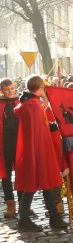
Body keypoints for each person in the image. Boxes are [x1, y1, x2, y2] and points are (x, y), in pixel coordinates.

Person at [13, 75, 67, 232]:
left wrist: (52, 125)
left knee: (46, 184)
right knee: (32, 186)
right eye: (44, 87)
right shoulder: (34, 106)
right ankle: (24, 219)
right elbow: (36, 132)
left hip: (36, 150)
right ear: (40, 87)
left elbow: (39, 127)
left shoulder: (31, 104)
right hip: (37, 151)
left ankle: (54, 217)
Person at [0, 79, 19, 219]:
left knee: (21, 175)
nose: (10, 91)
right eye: (7, 89)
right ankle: (10, 205)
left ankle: (25, 204)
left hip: (19, 145)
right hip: (4, 146)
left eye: (12, 88)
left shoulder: (20, 103)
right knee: (6, 176)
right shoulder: (1, 105)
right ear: (2, 91)